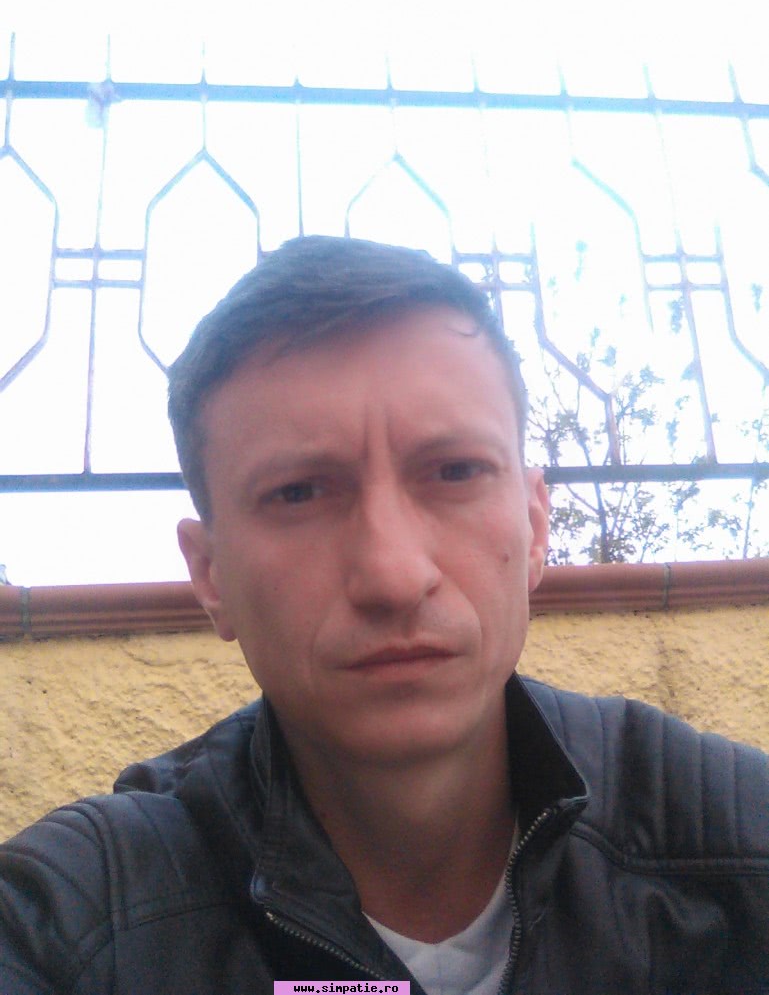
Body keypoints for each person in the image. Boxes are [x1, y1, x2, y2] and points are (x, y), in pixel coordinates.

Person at [0, 236, 767, 995]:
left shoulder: (731, 842)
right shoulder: (81, 917)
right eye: (298, 491)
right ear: (210, 574)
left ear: (535, 528)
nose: (394, 576)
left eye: (455, 471)